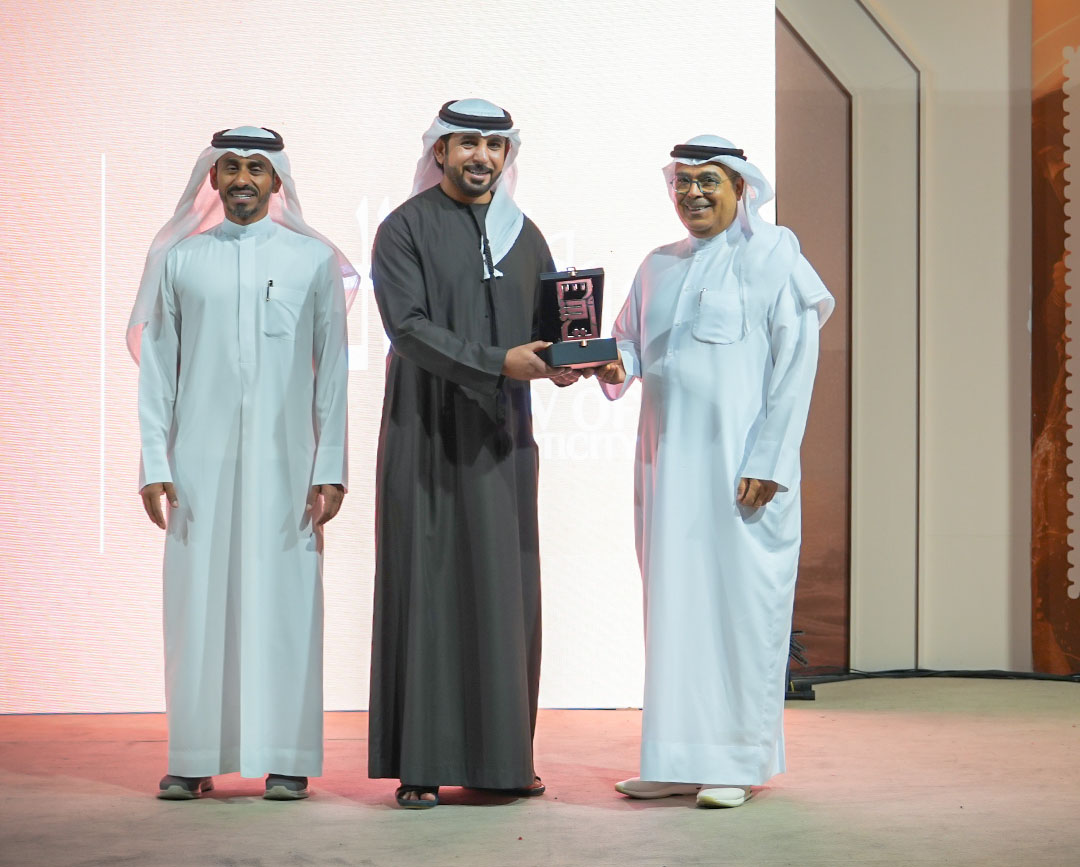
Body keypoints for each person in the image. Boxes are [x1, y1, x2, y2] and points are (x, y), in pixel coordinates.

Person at [590, 135, 834, 808]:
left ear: (740, 188)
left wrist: (772, 459)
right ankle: (673, 759)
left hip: (742, 475)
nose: (692, 194)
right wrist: (613, 363)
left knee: (739, 612)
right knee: (674, 614)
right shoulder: (657, 266)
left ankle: (735, 762)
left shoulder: (775, 258)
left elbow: (798, 364)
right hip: (668, 472)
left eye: (708, 182)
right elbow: (631, 344)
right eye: (683, 182)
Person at [128, 126, 357, 801]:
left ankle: (287, 757)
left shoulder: (312, 260)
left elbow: (333, 370)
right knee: (196, 608)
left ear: (277, 180)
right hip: (198, 466)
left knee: (286, 606)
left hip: (289, 467)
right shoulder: (180, 259)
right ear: (213, 177)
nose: (243, 180)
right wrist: (154, 460)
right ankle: (194, 756)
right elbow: (158, 370)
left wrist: (331, 464)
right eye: (230, 167)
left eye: (257, 168)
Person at [369, 99, 570, 808]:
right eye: (466, 145)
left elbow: (551, 329)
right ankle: (421, 764)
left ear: (507, 155)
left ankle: (503, 762)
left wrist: (573, 359)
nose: (481, 157)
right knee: (427, 587)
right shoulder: (404, 228)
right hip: (425, 433)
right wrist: (496, 363)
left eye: (493, 146)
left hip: (501, 438)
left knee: (503, 594)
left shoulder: (525, 234)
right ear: (441, 151)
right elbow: (407, 328)